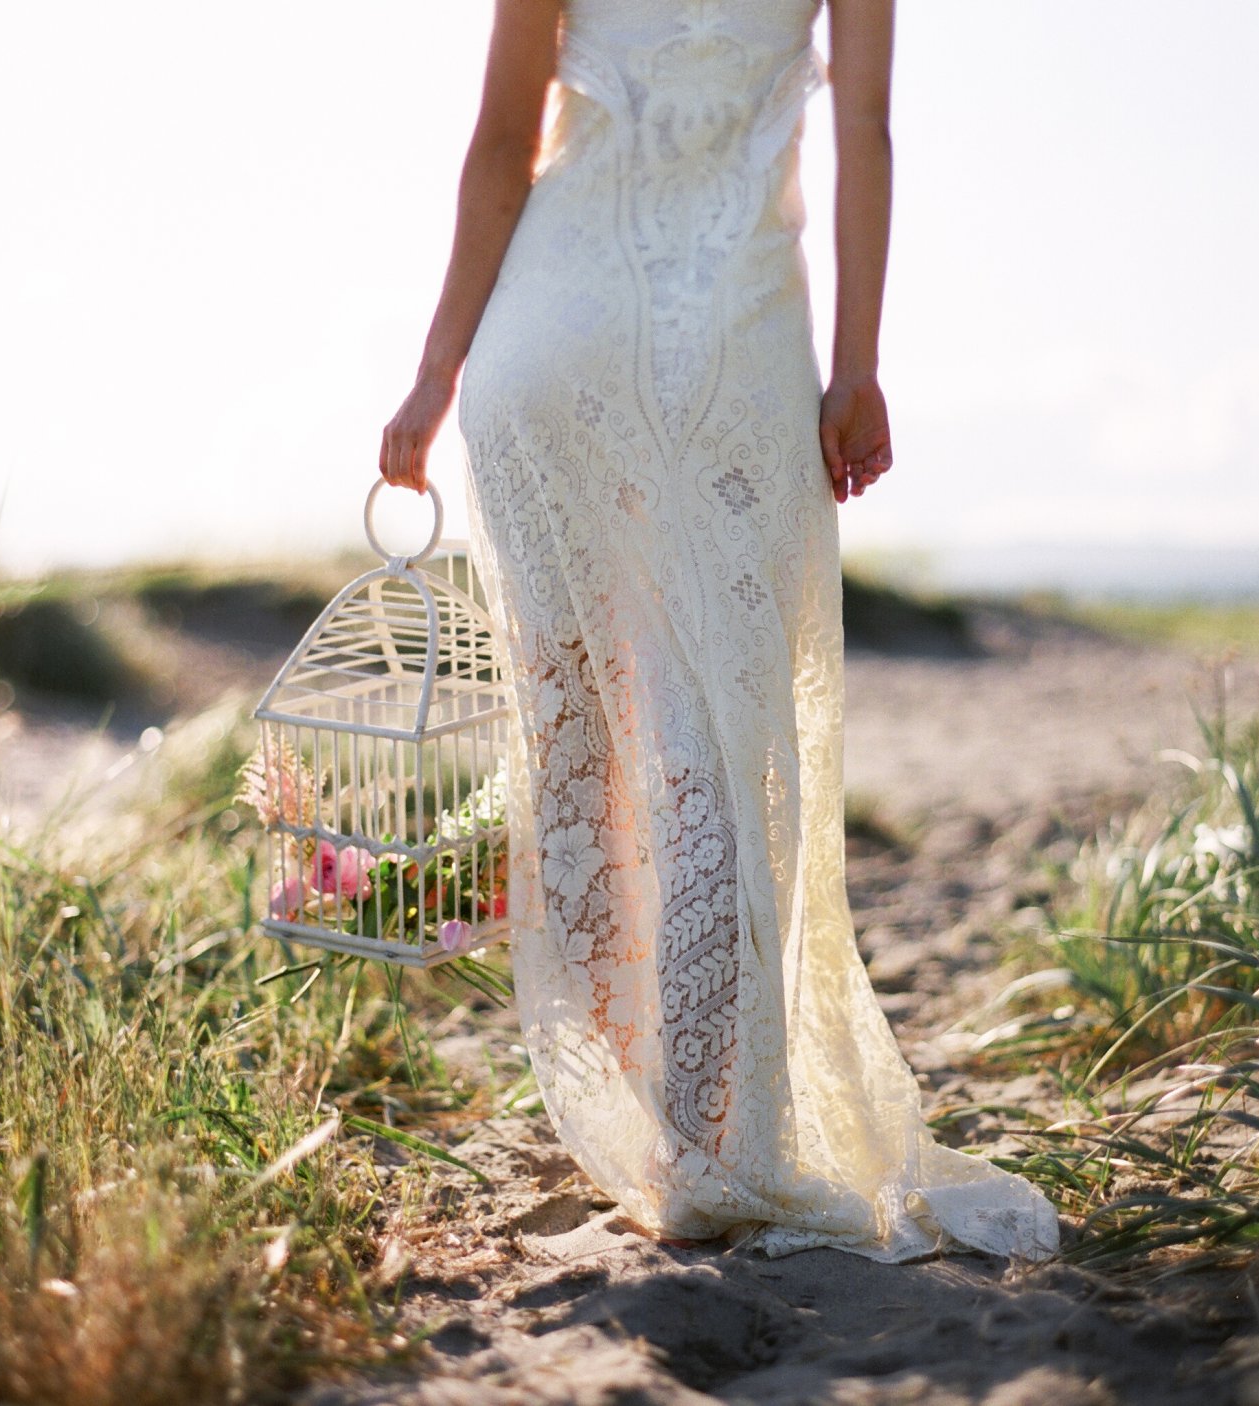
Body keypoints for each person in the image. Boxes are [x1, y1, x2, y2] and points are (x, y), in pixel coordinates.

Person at [377, 0, 1058, 1263]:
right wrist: (857, 366)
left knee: (580, 747)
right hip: (729, 344)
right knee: (708, 735)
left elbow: (502, 143)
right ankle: (704, 1143)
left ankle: (649, 1118)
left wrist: (434, 373)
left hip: (547, 341)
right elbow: (865, 131)